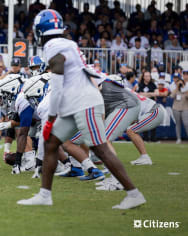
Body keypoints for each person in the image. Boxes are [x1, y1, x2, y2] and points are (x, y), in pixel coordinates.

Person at [18, 9, 145, 209]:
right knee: (51, 142)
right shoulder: (66, 42)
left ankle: (133, 193)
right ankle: (45, 195)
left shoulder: (53, 45)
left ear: (40, 30)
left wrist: (51, 116)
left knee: (99, 148)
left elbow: (58, 81)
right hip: (75, 100)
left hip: (83, 101)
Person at [170, 62, 188, 144]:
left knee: (186, 123)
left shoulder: (186, 87)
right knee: (178, 124)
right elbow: (172, 96)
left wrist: (184, 88)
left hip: (185, 107)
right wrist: (178, 87)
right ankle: (178, 139)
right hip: (176, 107)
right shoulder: (175, 86)